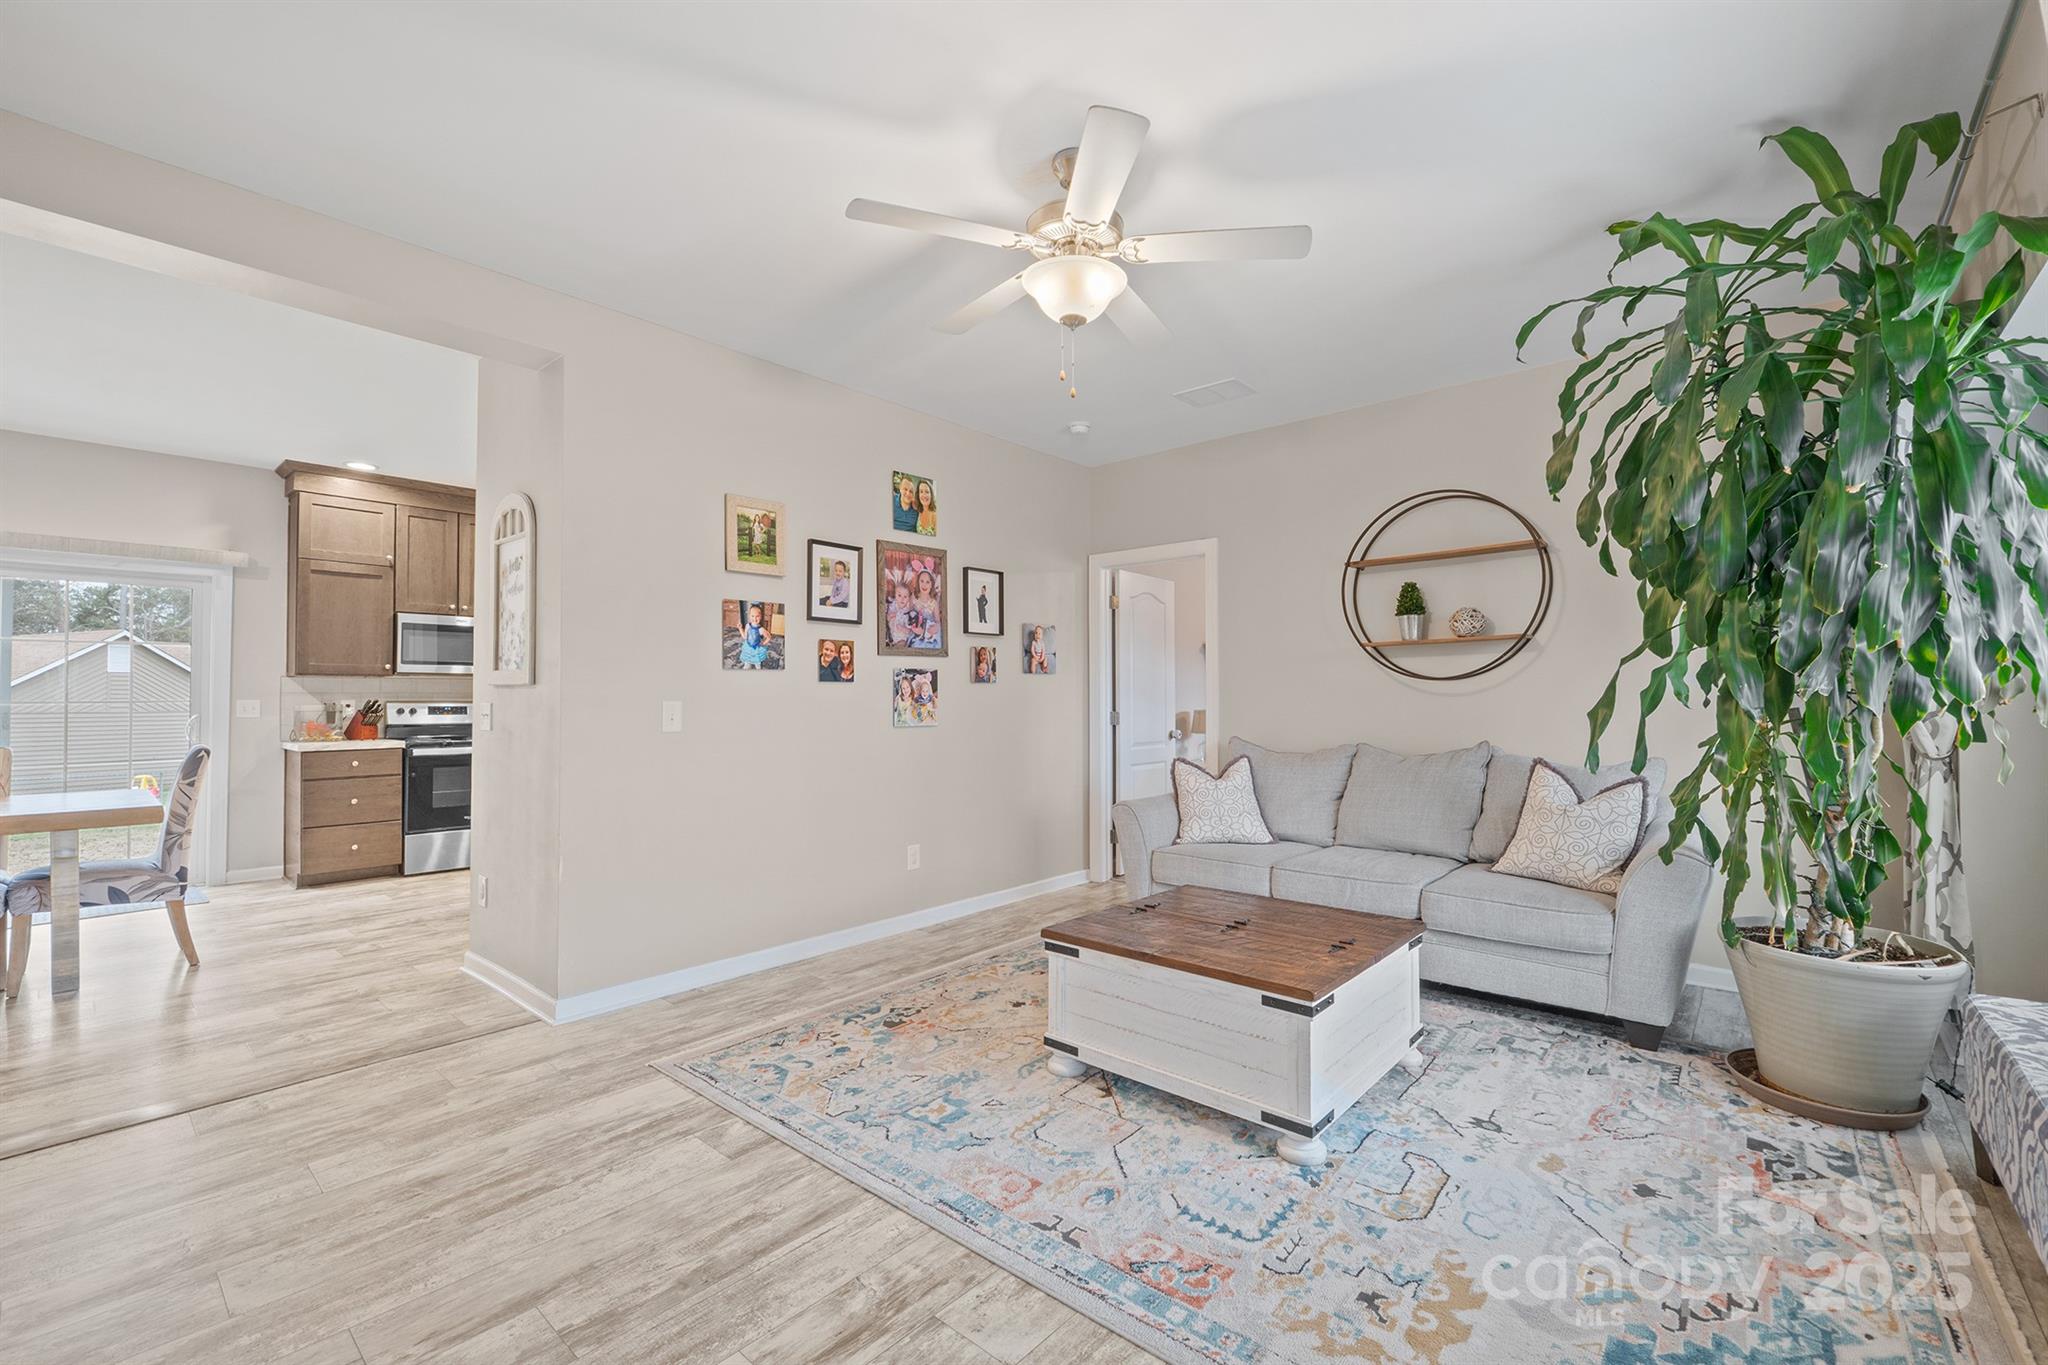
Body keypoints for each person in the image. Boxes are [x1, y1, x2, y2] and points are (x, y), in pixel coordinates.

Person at [912, 569, 942, 650]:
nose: (924, 585)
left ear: (931, 584)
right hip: (917, 633)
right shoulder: (914, 598)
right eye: (922, 581)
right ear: (918, 582)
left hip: (929, 633)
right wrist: (914, 628)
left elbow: (938, 621)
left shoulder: (933, 602)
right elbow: (909, 616)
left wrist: (936, 627)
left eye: (927, 582)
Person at [738, 603, 770, 669]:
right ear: (749, 615)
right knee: (747, 665)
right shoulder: (747, 626)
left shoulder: (761, 629)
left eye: (757, 616)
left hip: (757, 650)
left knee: (757, 665)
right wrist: (740, 628)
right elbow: (745, 637)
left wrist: (763, 643)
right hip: (748, 648)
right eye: (752, 616)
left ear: (761, 617)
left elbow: (769, 637)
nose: (755, 618)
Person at [887, 581, 916, 647]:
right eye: (899, 595)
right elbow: (887, 618)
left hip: (902, 637)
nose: (902, 599)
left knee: (902, 644)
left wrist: (904, 629)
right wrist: (891, 615)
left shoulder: (908, 610)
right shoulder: (893, 605)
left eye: (905, 596)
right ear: (895, 595)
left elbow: (910, 630)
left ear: (908, 598)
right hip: (892, 634)